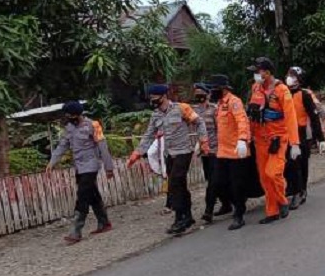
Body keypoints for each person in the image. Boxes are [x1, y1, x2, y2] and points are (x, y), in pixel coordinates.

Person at [128, 84, 210, 235]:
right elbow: (149, 135)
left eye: (155, 98)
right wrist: (137, 153)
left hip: (183, 151)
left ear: (164, 96)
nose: (152, 101)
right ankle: (188, 216)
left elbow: (199, 123)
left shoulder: (181, 108)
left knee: (174, 184)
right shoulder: (156, 115)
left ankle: (179, 218)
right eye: (151, 99)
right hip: (169, 154)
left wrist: (204, 141)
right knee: (180, 185)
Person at [46, 101, 114, 244]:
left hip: (91, 165)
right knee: (92, 194)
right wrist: (52, 163)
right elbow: (62, 146)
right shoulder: (69, 128)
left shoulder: (93, 125)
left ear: (77, 114)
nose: (67, 117)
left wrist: (109, 168)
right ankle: (104, 223)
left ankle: (76, 231)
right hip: (79, 167)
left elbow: (103, 147)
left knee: (82, 195)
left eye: (69, 115)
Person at [246, 57, 302, 224]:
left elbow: (291, 118)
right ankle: (272, 211)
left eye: (258, 71)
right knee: (264, 177)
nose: (255, 74)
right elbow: (252, 115)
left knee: (273, 173)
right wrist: (247, 138)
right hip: (260, 139)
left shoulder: (282, 90)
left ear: (267, 72)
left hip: (277, 138)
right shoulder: (255, 88)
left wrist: (295, 143)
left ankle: (282, 200)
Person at [209, 75, 251, 230]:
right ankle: (234, 205)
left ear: (223, 88)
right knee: (219, 182)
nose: (211, 92)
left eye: (214, 88)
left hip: (236, 151)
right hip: (222, 151)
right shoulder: (219, 104)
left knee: (236, 184)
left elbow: (242, 121)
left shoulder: (234, 102)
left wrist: (242, 139)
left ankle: (239, 215)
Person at [286, 66, 325, 209]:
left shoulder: (304, 95)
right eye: (289, 74)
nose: (289, 77)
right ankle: (292, 189)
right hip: (285, 133)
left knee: (300, 163)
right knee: (289, 165)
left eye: (292, 75)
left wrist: (320, 138)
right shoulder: (283, 93)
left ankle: (300, 191)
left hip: (301, 133)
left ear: (299, 79)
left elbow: (314, 117)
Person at [192, 83, 231, 224]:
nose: (199, 96)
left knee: (214, 181)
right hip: (204, 152)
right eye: (196, 94)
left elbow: (220, 130)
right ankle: (226, 204)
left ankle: (208, 211)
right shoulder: (194, 111)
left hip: (217, 150)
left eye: (201, 93)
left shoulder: (214, 109)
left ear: (208, 94)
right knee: (212, 179)